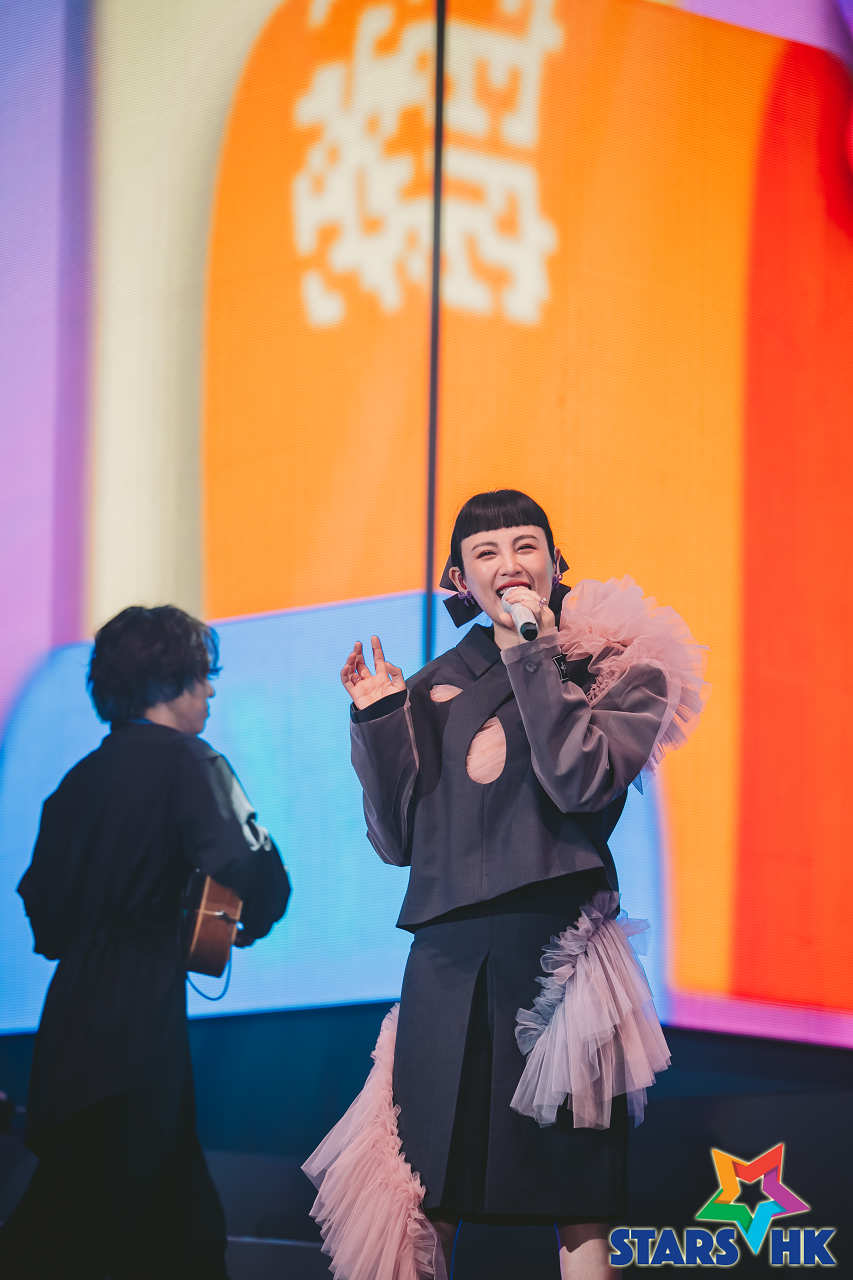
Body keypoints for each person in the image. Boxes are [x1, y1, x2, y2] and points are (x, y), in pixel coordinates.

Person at [303, 490, 705, 1280]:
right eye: (485, 553)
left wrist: (533, 651)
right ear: (459, 579)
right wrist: (379, 722)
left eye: (525, 547)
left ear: (555, 563)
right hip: (448, 954)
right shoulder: (429, 685)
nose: (509, 565)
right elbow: (396, 844)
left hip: (557, 949)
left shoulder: (617, 668)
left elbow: (581, 783)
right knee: (426, 1177)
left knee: (576, 1182)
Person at [0, 605, 290, 1280]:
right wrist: (245, 922)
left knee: (80, 1220)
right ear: (171, 679)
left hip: (65, 1030)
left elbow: (44, 918)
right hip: (141, 1030)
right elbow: (251, 868)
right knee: (168, 1233)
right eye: (202, 675)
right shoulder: (192, 762)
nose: (210, 690)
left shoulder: (74, 784)